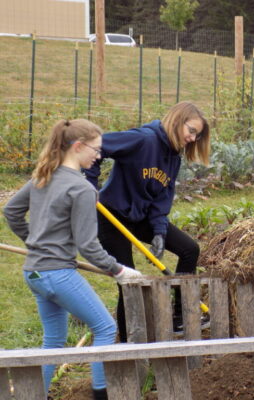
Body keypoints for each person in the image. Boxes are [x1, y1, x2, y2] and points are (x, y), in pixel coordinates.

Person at [3, 119, 142, 400]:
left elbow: (10, 212)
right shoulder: (81, 189)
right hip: (57, 274)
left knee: (53, 340)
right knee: (105, 328)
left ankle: (36, 395)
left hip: (34, 273)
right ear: (78, 147)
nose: (99, 156)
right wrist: (118, 270)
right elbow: (88, 246)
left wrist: (35, 242)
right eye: (95, 149)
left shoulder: (43, 176)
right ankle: (100, 394)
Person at [84, 101, 210, 342]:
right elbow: (95, 147)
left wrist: (159, 232)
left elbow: (162, 200)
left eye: (198, 134)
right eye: (191, 130)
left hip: (140, 217)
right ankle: (128, 340)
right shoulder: (143, 139)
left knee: (189, 249)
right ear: (177, 120)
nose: (193, 138)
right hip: (112, 216)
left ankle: (178, 316)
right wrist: (90, 185)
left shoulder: (173, 158)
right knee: (129, 280)